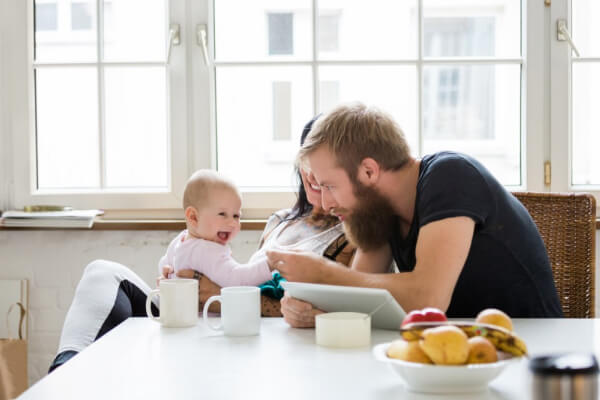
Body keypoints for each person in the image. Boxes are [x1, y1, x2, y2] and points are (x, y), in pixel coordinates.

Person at [48, 117, 356, 372]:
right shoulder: (280, 220)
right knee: (102, 272)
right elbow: (238, 275)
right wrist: (173, 278)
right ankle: (64, 371)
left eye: (325, 170)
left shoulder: (350, 236)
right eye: (308, 164)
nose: (313, 176)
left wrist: (218, 297)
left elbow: (325, 310)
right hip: (201, 314)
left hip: (233, 324)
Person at [267, 102, 563, 328]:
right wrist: (311, 311)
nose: (326, 203)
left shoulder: (450, 175)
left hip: (529, 346)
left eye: (330, 186)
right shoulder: (377, 210)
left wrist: (323, 273)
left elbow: (427, 298)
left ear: (369, 171)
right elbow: (358, 293)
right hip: (456, 350)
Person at [158, 169, 274, 287]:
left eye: (236, 216)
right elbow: (238, 280)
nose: (233, 223)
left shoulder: (181, 239)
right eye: (222, 214)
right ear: (194, 217)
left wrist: (167, 272)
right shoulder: (207, 250)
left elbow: (164, 263)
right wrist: (269, 264)